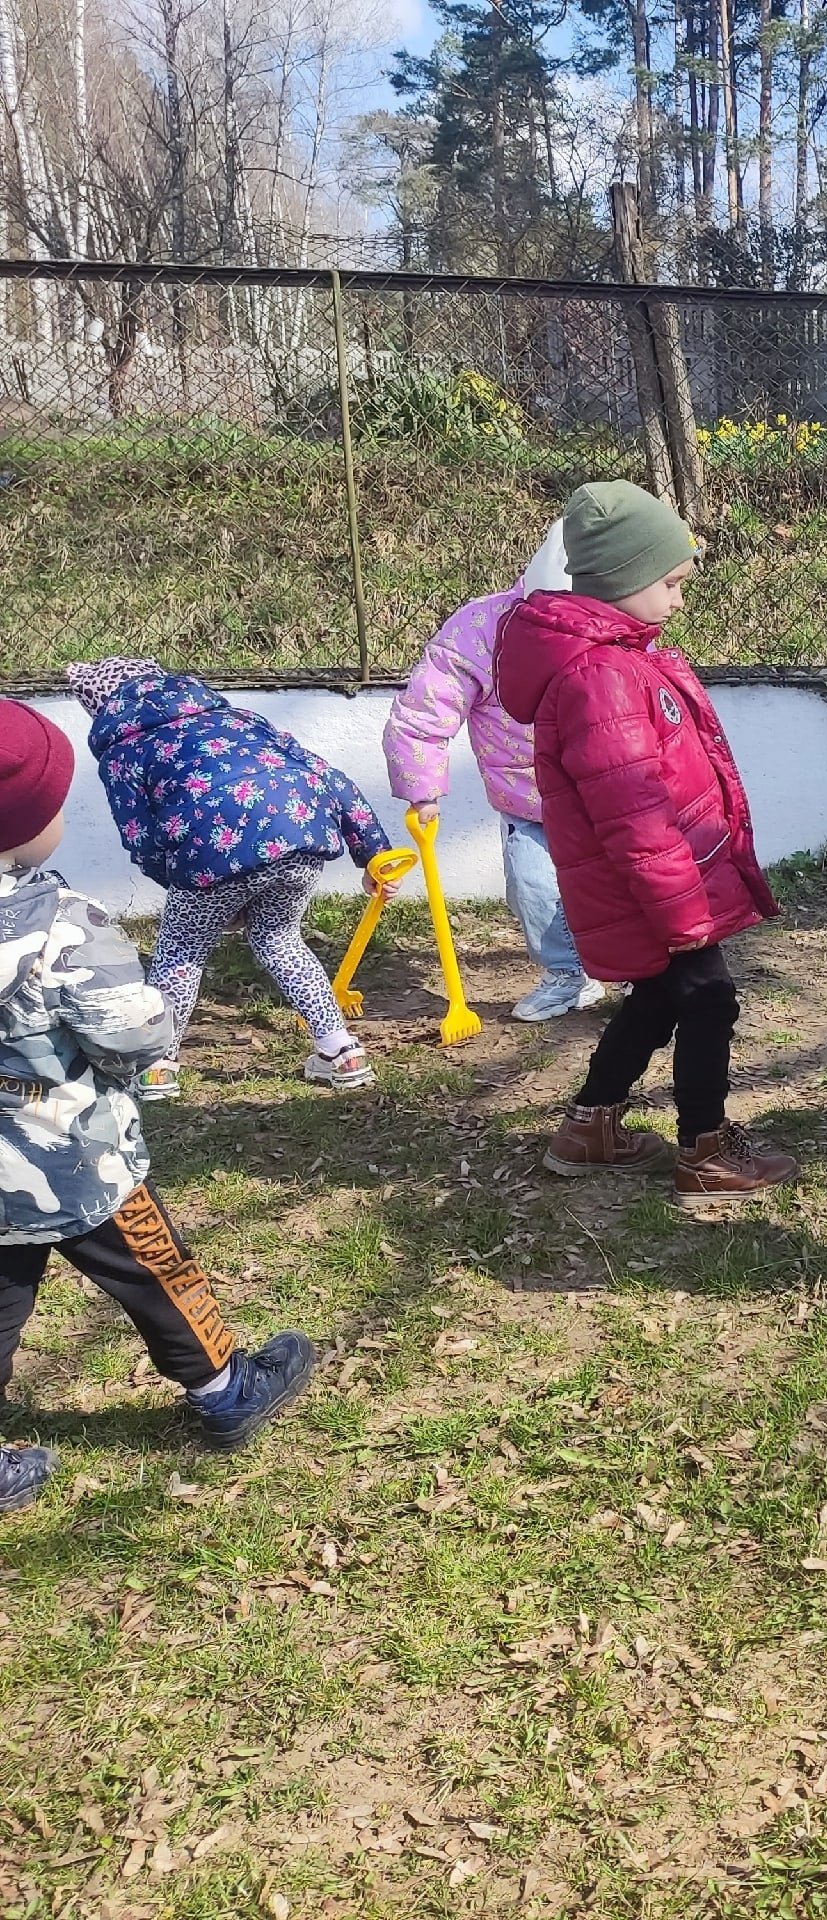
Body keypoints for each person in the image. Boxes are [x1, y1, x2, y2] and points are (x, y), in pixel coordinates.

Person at [0, 699, 315, 1513]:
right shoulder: (62, 928)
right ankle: (225, 1391)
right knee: (156, 1269)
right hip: (72, 1161)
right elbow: (135, 1035)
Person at [496, 480, 797, 1209]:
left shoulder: (618, 659)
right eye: (668, 583)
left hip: (643, 881)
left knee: (660, 995)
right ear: (622, 581)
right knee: (708, 998)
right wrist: (681, 909)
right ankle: (706, 1149)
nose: (678, 599)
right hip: (650, 884)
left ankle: (589, 1125)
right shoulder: (602, 676)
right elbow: (633, 813)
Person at [68, 658, 394, 1097]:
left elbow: (140, 836)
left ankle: (157, 1065)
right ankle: (342, 1052)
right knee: (280, 938)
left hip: (210, 852)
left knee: (181, 949)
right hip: (301, 833)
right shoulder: (239, 718)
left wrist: (184, 882)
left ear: (100, 708)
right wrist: (374, 853)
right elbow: (330, 778)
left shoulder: (122, 753)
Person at [382, 522, 610, 1023]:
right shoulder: (481, 629)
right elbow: (425, 710)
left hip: (606, 793)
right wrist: (421, 790)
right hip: (527, 800)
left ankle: (644, 971)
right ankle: (566, 974)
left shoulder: (619, 623)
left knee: (623, 884)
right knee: (531, 888)